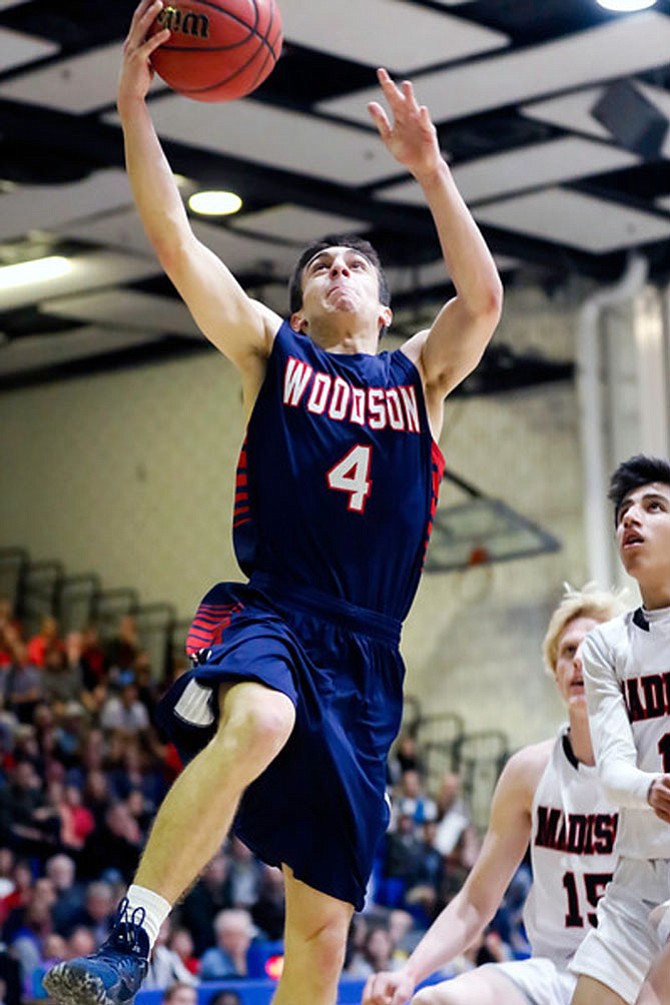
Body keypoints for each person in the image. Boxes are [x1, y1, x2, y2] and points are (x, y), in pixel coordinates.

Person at [43, 0, 502, 1003]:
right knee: (254, 723)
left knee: (324, 926)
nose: (338, 270)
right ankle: (131, 941)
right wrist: (132, 104)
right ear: (299, 307)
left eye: (356, 266)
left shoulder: (418, 379)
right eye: (320, 267)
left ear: (383, 307)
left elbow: (483, 304)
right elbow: (174, 240)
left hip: (368, 656)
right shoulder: (271, 351)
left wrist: (430, 169)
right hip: (274, 609)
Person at [363, 585, 626, 1005]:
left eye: (592, 648)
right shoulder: (528, 772)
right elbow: (474, 903)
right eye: (567, 650)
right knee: (438, 1001)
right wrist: (409, 972)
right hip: (557, 971)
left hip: (637, 972)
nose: (578, 659)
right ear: (555, 671)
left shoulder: (652, 764)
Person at [570, 456, 670, 1005]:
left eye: (653, 506)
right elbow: (611, 773)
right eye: (624, 511)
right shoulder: (606, 647)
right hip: (636, 877)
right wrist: (650, 789)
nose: (632, 518)